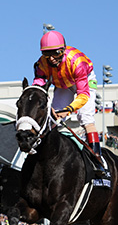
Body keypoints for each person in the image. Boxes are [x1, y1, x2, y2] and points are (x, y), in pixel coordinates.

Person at [32, 30, 108, 176]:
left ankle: (97, 159)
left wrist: (69, 109)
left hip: (83, 81)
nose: (52, 58)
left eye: (56, 53)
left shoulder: (77, 62)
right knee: (53, 120)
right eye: (47, 54)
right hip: (62, 85)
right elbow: (39, 83)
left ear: (63, 49)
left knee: (86, 119)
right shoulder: (41, 63)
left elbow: (83, 95)